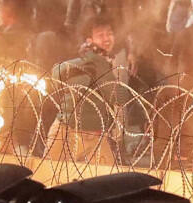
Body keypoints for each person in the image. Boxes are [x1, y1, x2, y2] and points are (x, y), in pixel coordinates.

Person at [46, 15, 130, 164]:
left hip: (96, 136)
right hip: (66, 132)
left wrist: (97, 61)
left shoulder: (109, 64)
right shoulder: (88, 62)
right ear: (89, 40)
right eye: (100, 35)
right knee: (49, 178)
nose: (107, 39)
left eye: (109, 33)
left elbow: (118, 96)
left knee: (105, 182)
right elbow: (55, 74)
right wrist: (90, 60)